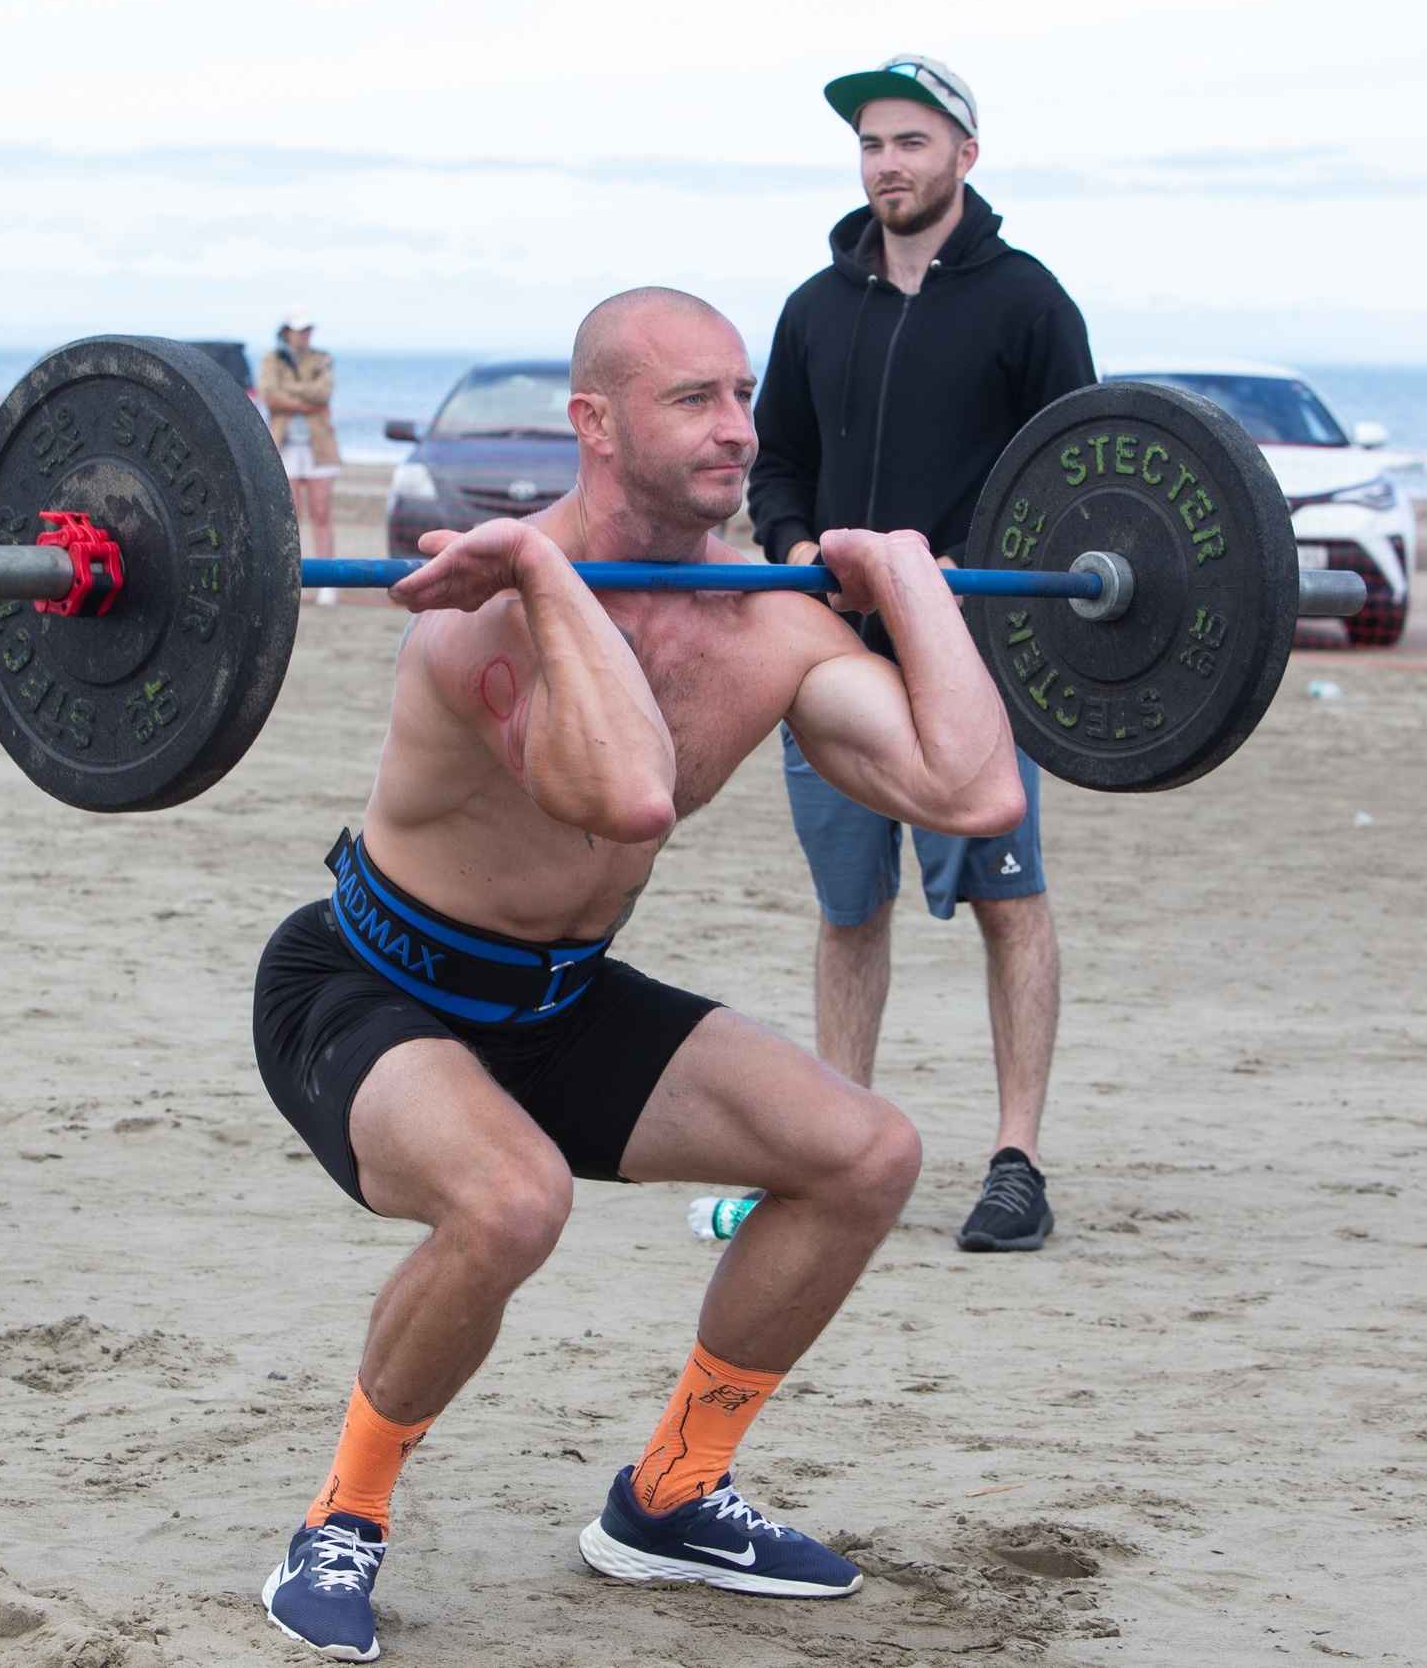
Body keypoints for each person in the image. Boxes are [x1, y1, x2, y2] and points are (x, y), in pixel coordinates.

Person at [250, 287, 1025, 1661]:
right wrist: (548, 581)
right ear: (593, 425)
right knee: (511, 1201)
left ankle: (671, 1491)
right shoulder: (482, 608)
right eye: (696, 400)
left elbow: (968, 789)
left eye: (743, 395)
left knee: (865, 1153)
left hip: (557, 1000)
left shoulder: (767, 621)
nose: (740, 428)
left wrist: (908, 575)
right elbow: (627, 798)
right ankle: (342, 1515)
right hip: (370, 987)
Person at [748, 55, 1095, 1253]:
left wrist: (962, 566)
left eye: (910, 142)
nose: (886, 164)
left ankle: (1016, 1162)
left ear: (964, 154)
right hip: (830, 657)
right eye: (871, 146)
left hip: (972, 663)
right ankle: (832, 1149)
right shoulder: (814, 306)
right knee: (850, 911)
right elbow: (775, 463)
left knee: (1012, 904)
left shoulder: (1028, 304)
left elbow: (1077, 485)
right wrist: (795, 543)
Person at [261, 309, 341, 603]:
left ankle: (329, 584)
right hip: (287, 445)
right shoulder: (273, 358)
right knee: (290, 515)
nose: (305, 334)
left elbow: (324, 394)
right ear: (287, 331)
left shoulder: (321, 358)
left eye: (308, 328)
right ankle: (290, 579)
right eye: (300, 329)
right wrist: (306, 397)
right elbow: (269, 395)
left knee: (321, 512)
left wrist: (290, 395)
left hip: (319, 445)